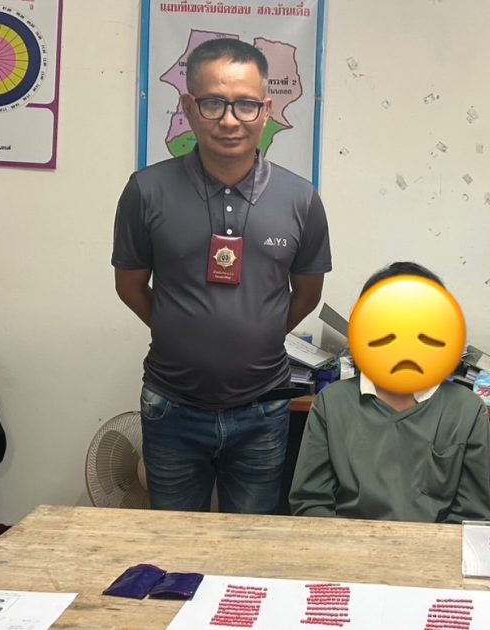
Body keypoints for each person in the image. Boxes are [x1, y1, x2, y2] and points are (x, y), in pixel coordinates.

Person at [112, 38, 331, 514]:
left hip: (263, 408)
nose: (230, 120)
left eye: (246, 104)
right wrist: (176, 327)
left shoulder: (301, 199)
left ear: (266, 111)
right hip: (171, 406)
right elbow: (129, 285)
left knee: (248, 545)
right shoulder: (146, 191)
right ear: (188, 107)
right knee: (172, 544)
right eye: (213, 103)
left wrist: (260, 333)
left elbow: (307, 293)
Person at [289, 262, 490, 523]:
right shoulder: (333, 403)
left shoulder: (466, 409)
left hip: (433, 546)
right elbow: (310, 502)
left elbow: (472, 515)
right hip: (349, 543)